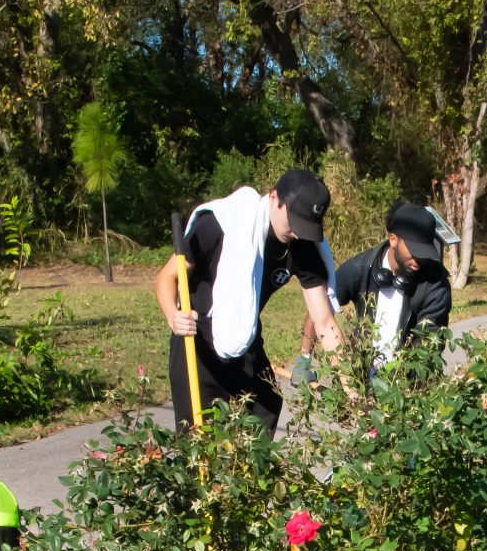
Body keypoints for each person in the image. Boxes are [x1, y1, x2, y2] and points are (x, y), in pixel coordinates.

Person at [156, 168, 343, 436]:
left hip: (245, 333)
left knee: (266, 405)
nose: (298, 233)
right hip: (196, 337)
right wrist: (173, 315)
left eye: (307, 226)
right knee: (197, 437)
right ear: (275, 198)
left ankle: (250, 475)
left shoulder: (301, 244)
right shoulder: (222, 223)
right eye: (295, 222)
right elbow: (167, 278)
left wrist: (352, 387)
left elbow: (324, 322)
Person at [325, 200, 452, 373]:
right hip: (361, 377)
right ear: (393, 240)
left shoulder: (435, 284)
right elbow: (321, 307)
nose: (419, 259)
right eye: (414, 250)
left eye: (425, 251)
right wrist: (305, 358)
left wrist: (396, 388)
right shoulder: (359, 268)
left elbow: (429, 346)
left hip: (406, 385)